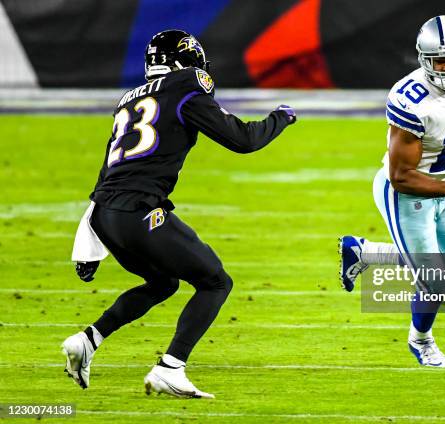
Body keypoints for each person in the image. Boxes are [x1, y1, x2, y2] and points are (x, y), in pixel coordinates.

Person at [62, 29, 296, 398]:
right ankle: (171, 367)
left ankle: (88, 340)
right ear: (186, 62)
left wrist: (87, 241)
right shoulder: (186, 84)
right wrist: (280, 118)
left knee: (164, 282)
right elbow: (243, 140)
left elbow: (106, 174)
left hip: (104, 215)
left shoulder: (127, 100)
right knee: (215, 281)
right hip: (139, 211)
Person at [339, 16, 445, 367]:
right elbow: (401, 175)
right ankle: (422, 341)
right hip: (406, 194)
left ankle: (364, 252)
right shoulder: (411, 99)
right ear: (424, 60)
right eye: (441, 60)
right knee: (434, 280)